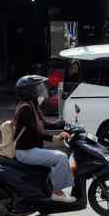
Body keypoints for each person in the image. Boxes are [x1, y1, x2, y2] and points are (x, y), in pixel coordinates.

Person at [13, 75, 75, 203]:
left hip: (30, 149)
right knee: (61, 157)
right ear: (28, 91)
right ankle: (56, 192)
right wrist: (54, 138)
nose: (40, 90)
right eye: (37, 88)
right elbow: (34, 133)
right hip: (25, 152)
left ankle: (49, 187)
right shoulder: (25, 108)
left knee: (55, 159)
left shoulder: (31, 105)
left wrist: (63, 123)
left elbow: (44, 124)